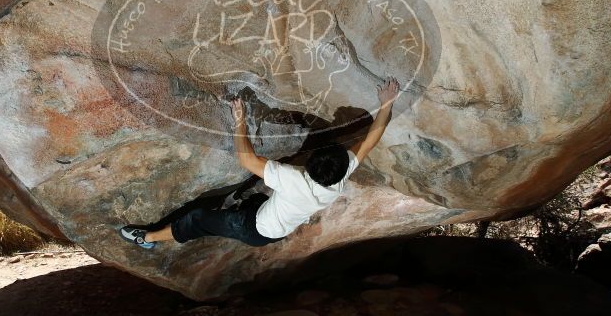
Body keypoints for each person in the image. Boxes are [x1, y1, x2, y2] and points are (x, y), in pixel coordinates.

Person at [119, 77, 400, 249]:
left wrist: (240, 120)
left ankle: (148, 240)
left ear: (310, 165)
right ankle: (235, 206)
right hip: (276, 226)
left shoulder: (294, 180)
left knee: (198, 220)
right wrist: (387, 104)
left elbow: (247, 159)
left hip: (254, 229)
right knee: (250, 201)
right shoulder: (339, 176)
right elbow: (369, 141)